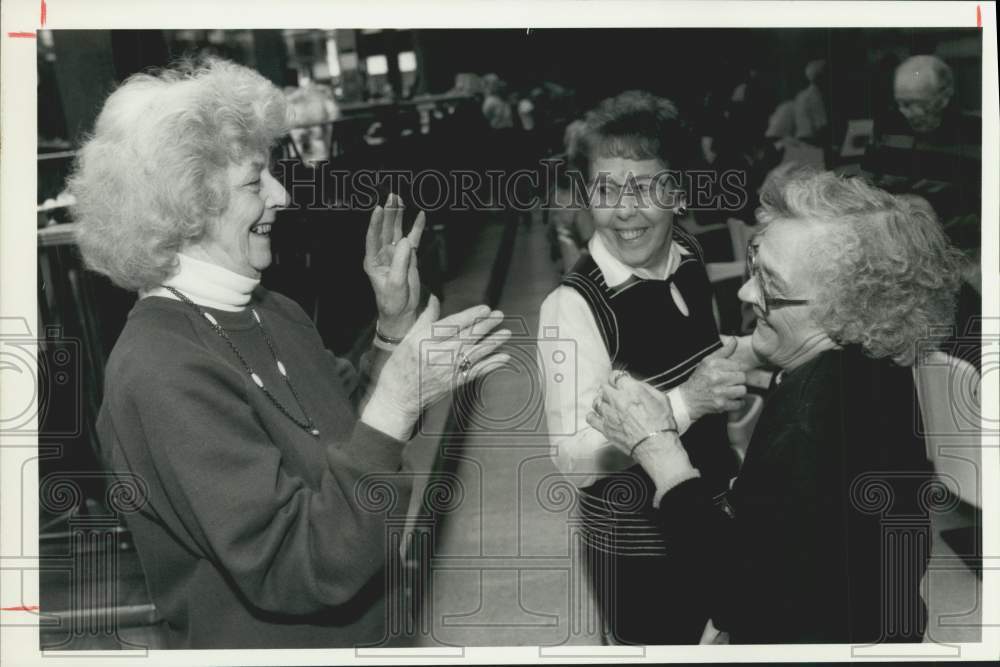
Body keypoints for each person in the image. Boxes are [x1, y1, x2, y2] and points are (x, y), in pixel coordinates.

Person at [69, 58, 511, 649]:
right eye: (255, 182)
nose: (280, 194)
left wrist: (392, 328)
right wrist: (399, 401)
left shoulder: (270, 309)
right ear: (188, 205)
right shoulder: (160, 371)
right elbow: (303, 566)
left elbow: (341, 435)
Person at [587, 168, 962, 644]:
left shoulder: (807, 426)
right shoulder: (876, 359)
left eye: (768, 282)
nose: (746, 292)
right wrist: (750, 348)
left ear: (843, 308)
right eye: (754, 267)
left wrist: (660, 452)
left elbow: (741, 597)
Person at [537, 91, 762, 645]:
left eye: (646, 187)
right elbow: (572, 457)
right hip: (640, 547)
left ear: (678, 192)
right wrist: (688, 402)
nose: (624, 210)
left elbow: (695, 353)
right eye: (606, 189)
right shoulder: (571, 307)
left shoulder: (686, 255)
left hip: (710, 516)